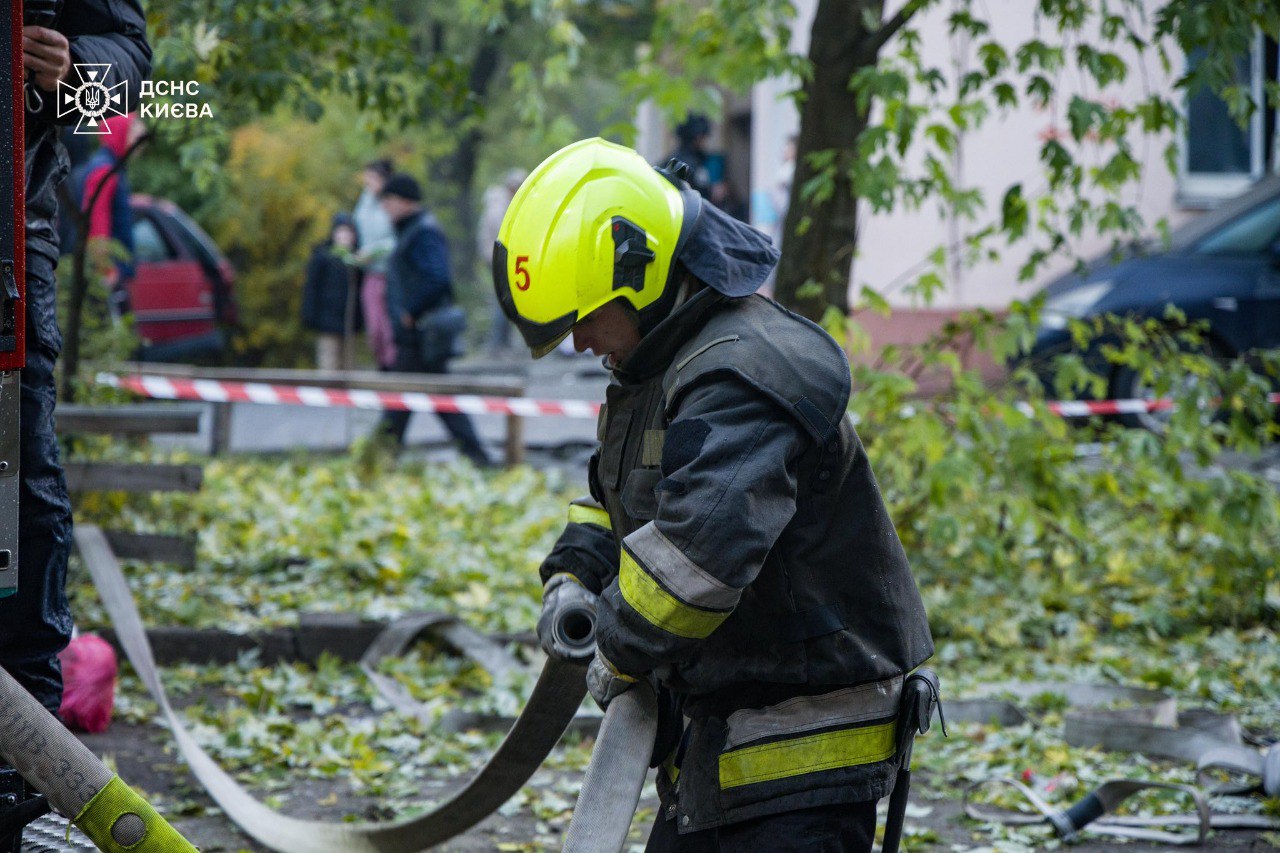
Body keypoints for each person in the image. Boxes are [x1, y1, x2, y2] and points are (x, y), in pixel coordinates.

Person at [494, 139, 933, 851]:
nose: (578, 342)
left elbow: (697, 557)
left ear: (637, 275)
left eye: (582, 317)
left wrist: (614, 644)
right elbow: (630, 499)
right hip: (723, 749)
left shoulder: (743, 373)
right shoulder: (666, 362)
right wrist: (576, 570)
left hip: (798, 769)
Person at [4, 9, 149, 849]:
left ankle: (21, 799)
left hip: (12, 241)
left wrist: (71, 72)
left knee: (25, 507)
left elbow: (132, 66)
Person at [376, 174, 492, 466]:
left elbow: (437, 278)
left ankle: (377, 458)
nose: (385, 208)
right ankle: (477, 458)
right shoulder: (413, 230)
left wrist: (409, 312)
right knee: (431, 400)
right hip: (418, 333)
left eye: (388, 201)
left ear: (404, 201)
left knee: (406, 400)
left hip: (421, 333)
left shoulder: (423, 232)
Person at [80, 111, 146, 318]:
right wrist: (107, 271)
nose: (141, 145)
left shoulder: (113, 168)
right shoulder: (104, 170)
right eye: (135, 136)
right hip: (107, 278)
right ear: (120, 132)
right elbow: (97, 226)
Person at [476, 167, 527, 356]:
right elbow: (504, 236)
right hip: (498, 259)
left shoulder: (505, 204)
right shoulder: (499, 207)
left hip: (501, 258)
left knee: (508, 299)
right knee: (503, 300)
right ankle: (497, 345)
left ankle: (504, 344)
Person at [301, 214, 362, 370]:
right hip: (326, 323)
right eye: (341, 232)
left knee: (348, 365)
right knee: (328, 364)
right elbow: (312, 288)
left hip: (349, 324)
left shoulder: (356, 261)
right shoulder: (322, 257)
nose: (345, 236)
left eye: (348, 232)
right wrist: (310, 315)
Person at [353, 159, 398, 369]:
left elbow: (398, 239)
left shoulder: (392, 202)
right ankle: (382, 364)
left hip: (390, 274)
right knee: (374, 328)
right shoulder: (364, 203)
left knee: (389, 328)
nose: (368, 182)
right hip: (370, 273)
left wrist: (375, 251)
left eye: (373, 177)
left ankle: (393, 368)